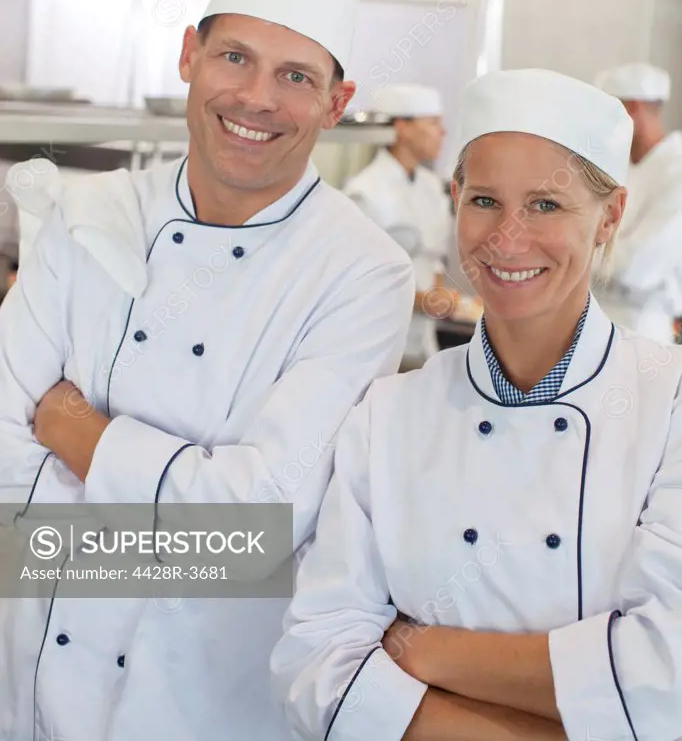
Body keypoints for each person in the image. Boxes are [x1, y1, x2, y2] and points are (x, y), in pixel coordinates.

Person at [0, 0, 415, 741]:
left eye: (296, 76)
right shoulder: (84, 213)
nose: (256, 100)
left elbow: (259, 529)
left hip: (193, 711)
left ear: (338, 100)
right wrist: (183, 510)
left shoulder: (362, 275)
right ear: (189, 54)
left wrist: (77, 433)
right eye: (235, 56)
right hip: (22, 689)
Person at [272, 67, 682, 741]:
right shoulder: (388, 413)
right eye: (486, 201)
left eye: (547, 206)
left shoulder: (668, 404)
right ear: (455, 199)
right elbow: (314, 663)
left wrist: (425, 649)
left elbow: (668, 675)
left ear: (609, 216)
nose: (508, 238)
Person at [344, 84, 462, 369]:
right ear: (403, 128)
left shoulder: (431, 187)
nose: (442, 133)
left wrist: (440, 297)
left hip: (424, 338)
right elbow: (361, 278)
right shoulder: (364, 191)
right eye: (433, 123)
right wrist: (423, 301)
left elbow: (434, 257)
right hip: (376, 336)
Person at [593, 62, 682, 342]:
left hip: (641, 329)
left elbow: (639, 268)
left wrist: (576, 256)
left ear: (631, 109)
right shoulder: (616, 163)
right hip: (592, 318)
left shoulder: (676, 165)